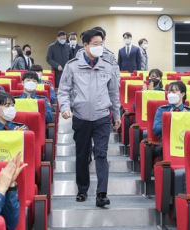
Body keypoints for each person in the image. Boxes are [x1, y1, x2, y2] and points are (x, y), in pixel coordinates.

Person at [58, 29, 121, 207]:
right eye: (95, 44)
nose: (99, 47)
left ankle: (102, 194)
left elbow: (114, 93)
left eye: (101, 44)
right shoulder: (72, 66)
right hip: (81, 116)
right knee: (82, 155)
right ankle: (82, 189)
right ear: (85, 45)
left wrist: (117, 115)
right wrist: (65, 107)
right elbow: (63, 91)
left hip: (102, 117)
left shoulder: (108, 66)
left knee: (101, 155)